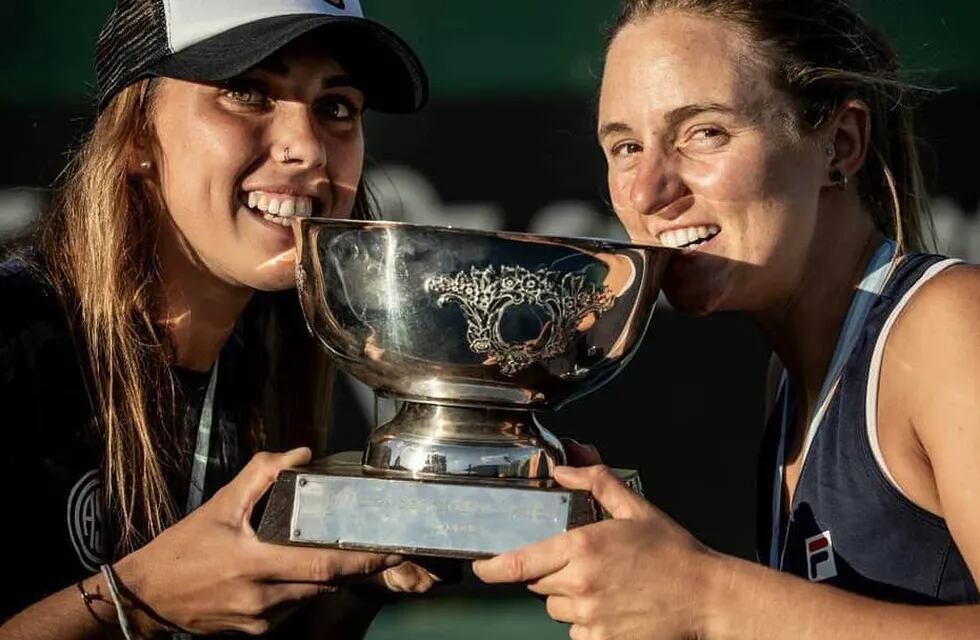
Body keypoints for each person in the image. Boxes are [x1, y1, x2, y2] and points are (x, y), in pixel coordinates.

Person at [473, 1, 980, 638]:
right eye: (626, 147)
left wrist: (709, 597)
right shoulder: (790, 377)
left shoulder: (948, 324)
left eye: (703, 131)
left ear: (839, 143)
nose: (648, 192)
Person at [0, 0, 436, 637]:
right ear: (136, 137)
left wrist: (353, 579)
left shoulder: (277, 353)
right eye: (245, 92)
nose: (308, 147)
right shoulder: (14, 338)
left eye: (336, 107)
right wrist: (141, 599)